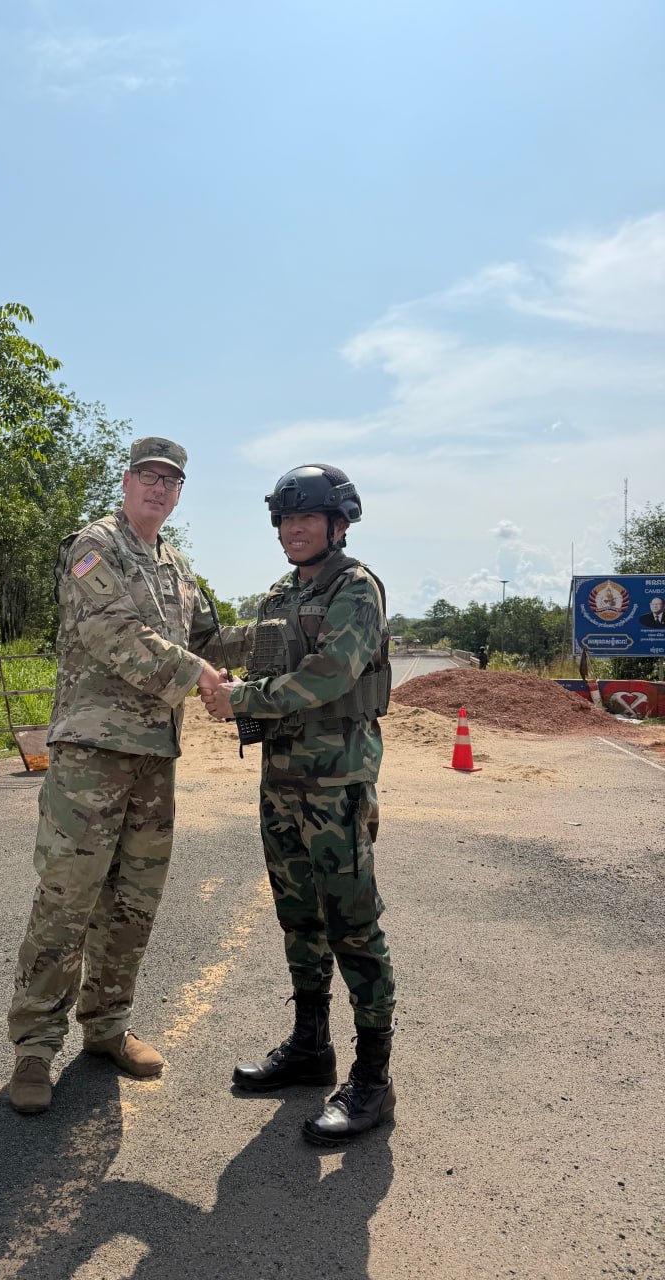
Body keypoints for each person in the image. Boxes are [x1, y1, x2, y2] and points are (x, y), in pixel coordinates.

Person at [6, 437, 248, 1114]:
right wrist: (201, 676)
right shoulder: (94, 546)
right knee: (68, 898)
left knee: (133, 902)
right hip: (92, 753)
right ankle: (34, 1047)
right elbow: (112, 632)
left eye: (172, 480)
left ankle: (107, 1027)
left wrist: (287, 632)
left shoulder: (176, 566)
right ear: (126, 480)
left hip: (153, 758)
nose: (159, 488)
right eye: (149, 475)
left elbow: (209, 641)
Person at [201, 464, 396, 1145]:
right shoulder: (281, 594)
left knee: (352, 924)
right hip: (282, 781)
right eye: (286, 519)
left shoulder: (356, 588)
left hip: (337, 784)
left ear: (339, 524)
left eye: (308, 517)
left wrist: (241, 699)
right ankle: (311, 1047)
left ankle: (374, 1079)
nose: (294, 528)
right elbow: (246, 648)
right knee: (299, 918)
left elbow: (330, 673)